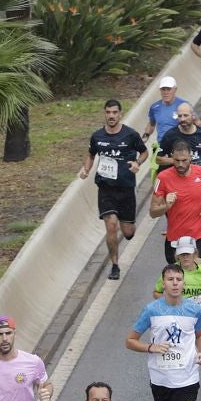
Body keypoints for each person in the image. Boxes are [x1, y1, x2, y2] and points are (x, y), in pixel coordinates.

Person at [127, 260, 201, 401]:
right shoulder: (151, 310)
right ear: (163, 283)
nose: (175, 283)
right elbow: (130, 341)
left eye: (179, 279)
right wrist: (151, 347)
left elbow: (199, 335)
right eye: (170, 279)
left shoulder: (194, 309)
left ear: (184, 283)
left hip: (187, 378)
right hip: (161, 378)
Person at [80, 98, 147, 280]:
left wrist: (137, 163)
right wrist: (86, 169)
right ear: (104, 113)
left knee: (128, 232)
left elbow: (144, 151)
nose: (111, 116)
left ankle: (128, 228)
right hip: (106, 188)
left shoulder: (130, 135)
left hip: (125, 189)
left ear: (120, 114)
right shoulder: (97, 136)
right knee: (111, 225)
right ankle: (115, 265)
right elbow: (91, 154)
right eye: (108, 112)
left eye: (114, 112)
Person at [151, 139, 201, 265]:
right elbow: (153, 212)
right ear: (172, 157)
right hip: (175, 237)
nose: (180, 165)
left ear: (191, 157)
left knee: (194, 277)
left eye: (184, 160)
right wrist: (166, 206)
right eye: (177, 161)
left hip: (199, 235)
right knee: (177, 281)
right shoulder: (162, 177)